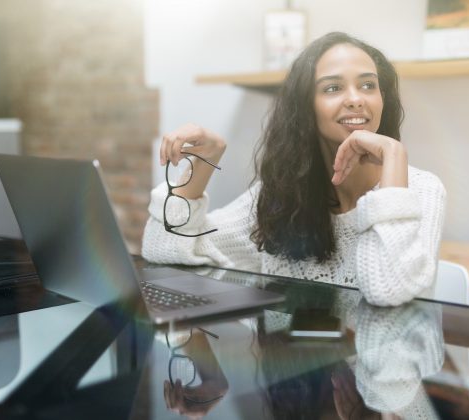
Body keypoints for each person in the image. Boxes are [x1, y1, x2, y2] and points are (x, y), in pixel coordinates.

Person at [142, 31, 446, 306]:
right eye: (333, 88)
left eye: (368, 85)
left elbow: (388, 289)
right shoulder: (283, 196)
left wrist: (393, 153)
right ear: (305, 106)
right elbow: (165, 251)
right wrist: (204, 160)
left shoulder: (421, 191)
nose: (355, 99)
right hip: (290, 365)